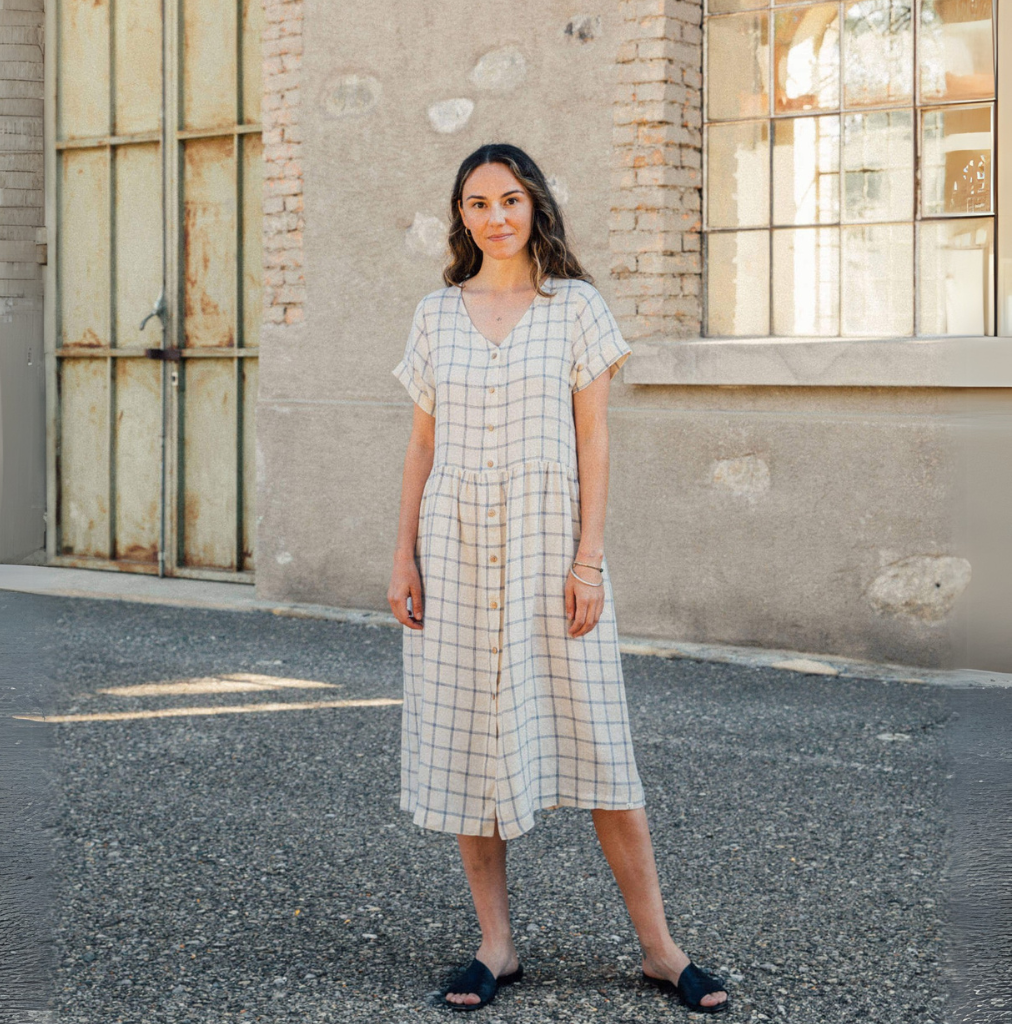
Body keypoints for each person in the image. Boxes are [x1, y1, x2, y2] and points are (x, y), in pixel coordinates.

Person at [387, 143, 729, 1015]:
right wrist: (402, 558)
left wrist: (589, 560)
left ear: (535, 204)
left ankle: (660, 949)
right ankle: (494, 946)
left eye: (508, 199)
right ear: (460, 217)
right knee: (471, 749)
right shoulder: (435, 314)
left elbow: (594, 445)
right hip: (454, 549)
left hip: (550, 553)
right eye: (475, 204)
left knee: (602, 752)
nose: (494, 217)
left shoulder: (576, 308)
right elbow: (421, 448)